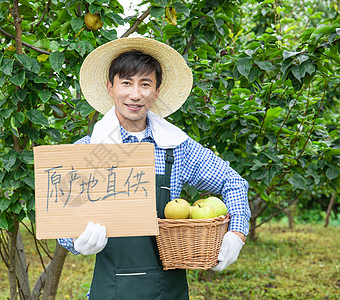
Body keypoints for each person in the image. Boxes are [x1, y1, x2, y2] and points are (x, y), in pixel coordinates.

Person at [57, 37, 251, 299]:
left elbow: (233, 182)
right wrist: (75, 241)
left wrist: (235, 235)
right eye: (126, 83)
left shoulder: (176, 146)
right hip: (110, 288)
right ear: (109, 87)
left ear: (156, 91)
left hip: (168, 290)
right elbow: (63, 217)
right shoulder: (89, 150)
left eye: (145, 84)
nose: (135, 94)